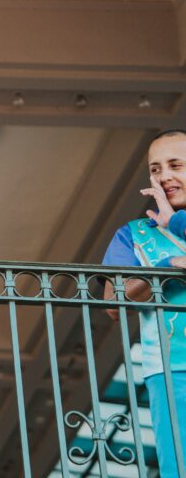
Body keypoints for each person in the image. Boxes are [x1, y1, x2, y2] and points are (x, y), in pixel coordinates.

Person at [103, 129, 186, 477]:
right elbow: (112, 302)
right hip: (172, 369)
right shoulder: (133, 233)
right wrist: (164, 270)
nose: (164, 176)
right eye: (155, 169)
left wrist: (176, 222)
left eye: (175, 165)